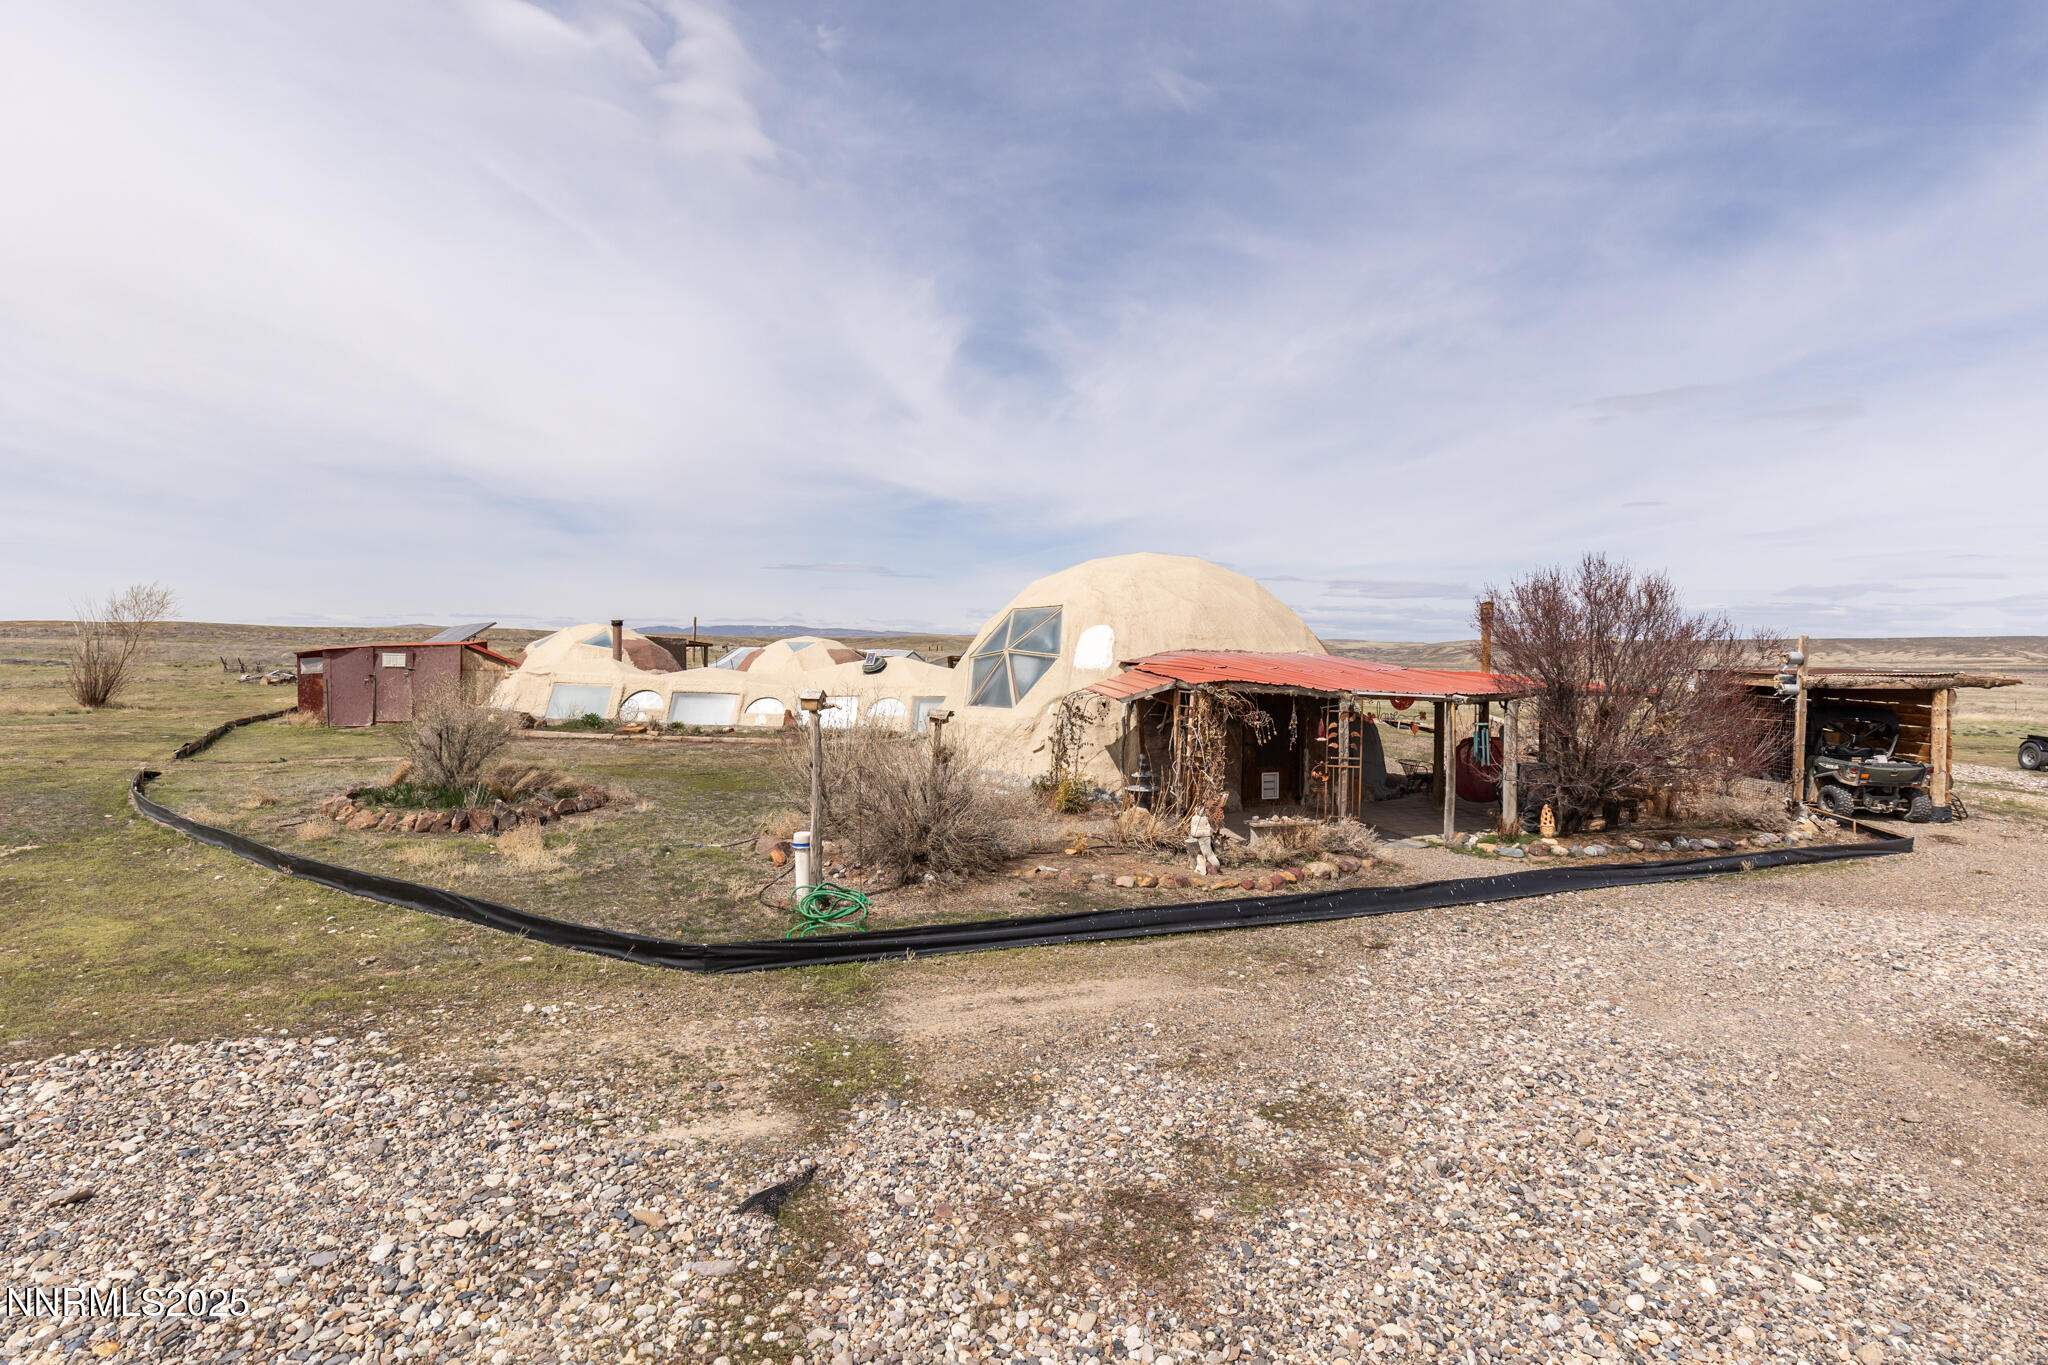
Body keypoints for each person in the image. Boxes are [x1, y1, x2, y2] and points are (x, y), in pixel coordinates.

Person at [1187, 800, 1223, 875]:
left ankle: (1215, 865)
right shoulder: (1194, 818)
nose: (1201, 811)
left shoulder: (1205, 818)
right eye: (1199, 809)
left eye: (1202, 810)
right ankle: (1199, 867)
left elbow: (1209, 829)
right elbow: (1193, 831)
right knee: (1198, 855)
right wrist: (1201, 832)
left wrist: (1205, 832)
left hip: (1206, 839)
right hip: (1198, 838)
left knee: (1209, 854)